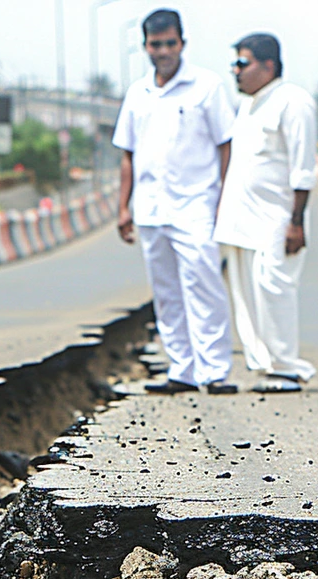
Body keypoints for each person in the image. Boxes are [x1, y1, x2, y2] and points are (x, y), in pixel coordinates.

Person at [113, 8, 237, 395]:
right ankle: (181, 370)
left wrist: (223, 199)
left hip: (197, 205)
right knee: (166, 293)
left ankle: (214, 371)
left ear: (182, 43)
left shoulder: (207, 87)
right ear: (145, 46)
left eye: (170, 43)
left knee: (204, 286)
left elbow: (226, 146)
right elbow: (128, 155)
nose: (164, 51)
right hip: (150, 208)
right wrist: (123, 207)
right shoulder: (138, 93)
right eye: (156, 44)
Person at [214, 33, 317, 393]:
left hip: (278, 219)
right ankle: (267, 364)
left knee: (275, 289)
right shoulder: (249, 105)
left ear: (268, 66)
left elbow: (303, 168)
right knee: (247, 293)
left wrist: (296, 222)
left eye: (242, 64)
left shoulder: (293, 101)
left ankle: (287, 367)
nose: (235, 72)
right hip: (243, 221)